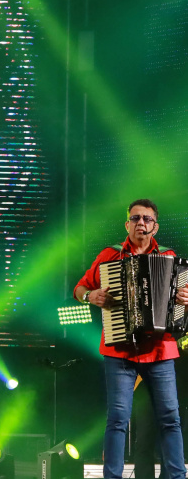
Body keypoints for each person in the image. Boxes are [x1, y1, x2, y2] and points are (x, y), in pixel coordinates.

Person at [74, 199, 188, 479]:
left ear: (155, 226)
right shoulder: (109, 256)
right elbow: (80, 287)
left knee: (170, 419)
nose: (141, 223)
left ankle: (177, 476)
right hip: (120, 351)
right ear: (127, 224)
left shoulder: (170, 258)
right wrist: (90, 296)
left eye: (147, 219)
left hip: (160, 350)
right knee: (117, 420)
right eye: (135, 218)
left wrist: (184, 299)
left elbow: (182, 305)